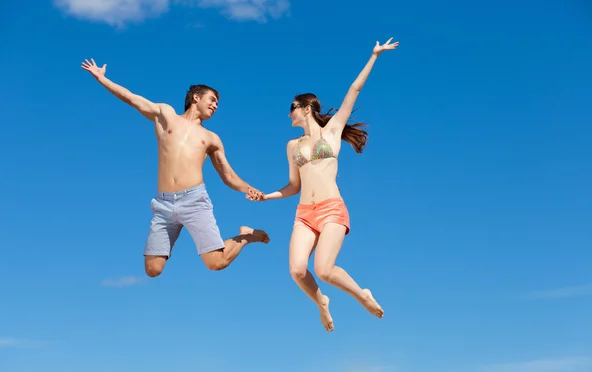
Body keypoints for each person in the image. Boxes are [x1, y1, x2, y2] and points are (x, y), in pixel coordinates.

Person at [248, 38, 398, 331]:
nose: (288, 113)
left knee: (324, 269)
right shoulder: (292, 145)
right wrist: (265, 196)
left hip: (331, 209)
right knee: (296, 270)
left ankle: (362, 294)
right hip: (305, 213)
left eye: (292, 107)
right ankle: (322, 303)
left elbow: (353, 91)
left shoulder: (332, 131)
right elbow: (293, 185)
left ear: (305, 107)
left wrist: (374, 55)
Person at [81, 58, 270, 278]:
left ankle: (245, 236)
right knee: (153, 269)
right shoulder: (166, 115)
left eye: (218, 103)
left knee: (216, 262)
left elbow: (228, 175)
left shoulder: (211, 138)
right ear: (196, 97)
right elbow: (132, 99)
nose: (215, 105)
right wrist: (102, 79)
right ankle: (240, 236)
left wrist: (249, 189)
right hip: (163, 204)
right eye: (212, 99)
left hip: (194, 201)